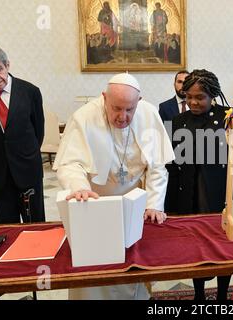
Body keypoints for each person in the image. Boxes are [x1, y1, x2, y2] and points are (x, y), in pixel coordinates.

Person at [53, 73, 174, 300]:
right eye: (116, 108)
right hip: (95, 202)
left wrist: (154, 203)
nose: (123, 116)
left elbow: (157, 166)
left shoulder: (148, 114)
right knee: (94, 266)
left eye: (130, 110)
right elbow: (70, 163)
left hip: (134, 204)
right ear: (104, 98)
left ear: (139, 102)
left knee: (134, 262)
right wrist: (79, 186)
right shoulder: (84, 117)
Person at [165, 69, 233, 300]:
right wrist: (170, 205)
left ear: (212, 95)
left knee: (223, 244)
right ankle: (198, 294)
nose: (193, 102)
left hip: (219, 192)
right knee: (195, 245)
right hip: (190, 193)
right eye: (189, 97)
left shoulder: (230, 118)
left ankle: (223, 294)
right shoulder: (178, 121)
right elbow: (172, 165)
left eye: (199, 97)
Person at [0, 44, 45, 224]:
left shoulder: (30, 91)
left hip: (27, 168)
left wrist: (26, 152)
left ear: (7, 65)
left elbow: (38, 130)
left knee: (34, 224)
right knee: (6, 225)